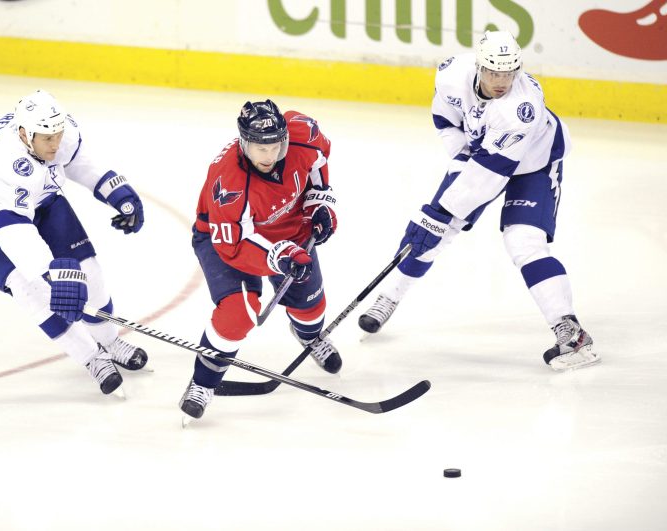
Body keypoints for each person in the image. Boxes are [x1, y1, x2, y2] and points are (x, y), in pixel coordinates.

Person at [358, 31, 599, 371]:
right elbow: (445, 121)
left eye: (508, 73)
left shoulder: (520, 108)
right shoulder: (452, 75)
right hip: (483, 158)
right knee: (434, 231)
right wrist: (459, 161)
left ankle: (571, 332)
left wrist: (440, 211)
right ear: (479, 67)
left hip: (535, 163)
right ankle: (389, 296)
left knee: (523, 241)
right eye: (493, 72)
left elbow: (489, 175)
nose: (501, 81)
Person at [0, 89, 149, 395]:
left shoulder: (56, 131)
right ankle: (92, 358)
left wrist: (116, 191)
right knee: (31, 288)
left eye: (58, 136)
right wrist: (50, 272)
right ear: (25, 134)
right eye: (48, 139)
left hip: (37, 197)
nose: (55, 144)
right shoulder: (2, 164)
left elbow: (78, 161)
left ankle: (109, 340)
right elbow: (12, 228)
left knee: (88, 269)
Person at [182, 99, 341, 420]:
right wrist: (281, 256)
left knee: (311, 308)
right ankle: (203, 383)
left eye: (275, 147)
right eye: (260, 148)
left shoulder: (302, 133)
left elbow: (319, 159)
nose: (269, 156)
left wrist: (319, 203)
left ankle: (309, 336)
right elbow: (234, 246)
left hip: (289, 228)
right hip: (225, 237)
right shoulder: (228, 181)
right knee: (239, 312)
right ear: (244, 143)